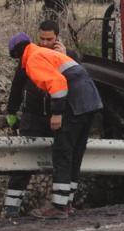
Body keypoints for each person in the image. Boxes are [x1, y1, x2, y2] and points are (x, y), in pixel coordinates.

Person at [8, 30, 102, 219]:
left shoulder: (33, 59)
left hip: (74, 103)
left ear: (18, 55)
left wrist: (57, 113)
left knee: (63, 151)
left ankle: (58, 206)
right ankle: (67, 203)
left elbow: (57, 84)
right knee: (75, 152)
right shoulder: (47, 54)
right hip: (90, 101)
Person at [1, 19, 79, 218]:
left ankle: (64, 203)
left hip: (58, 116)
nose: (44, 43)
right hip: (33, 116)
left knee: (63, 159)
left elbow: (77, 81)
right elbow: (17, 87)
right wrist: (11, 112)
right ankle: (11, 208)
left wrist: (63, 55)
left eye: (49, 39)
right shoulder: (30, 56)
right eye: (41, 38)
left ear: (57, 37)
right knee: (23, 162)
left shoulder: (68, 56)